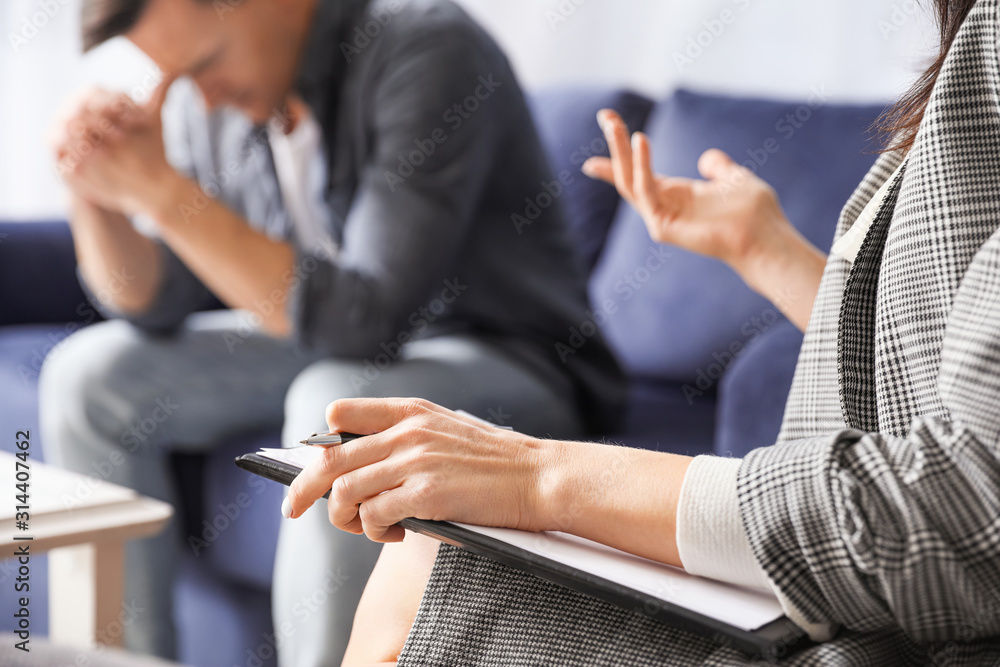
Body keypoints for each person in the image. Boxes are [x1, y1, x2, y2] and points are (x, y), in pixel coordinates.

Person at [283, 0, 1000, 664]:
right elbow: (930, 386)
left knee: (426, 568)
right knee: (428, 554)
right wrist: (770, 254)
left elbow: (968, 509)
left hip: (893, 639)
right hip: (853, 607)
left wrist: (538, 475)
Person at [39, 0, 625, 663]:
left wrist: (160, 191)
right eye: (176, 77)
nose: (199, 98)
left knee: (340, 400)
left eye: (203, 64)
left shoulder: (427, 47)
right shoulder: (225, 102)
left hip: (506, 353)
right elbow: (159, 303)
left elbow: (369, 318)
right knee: (88, 376)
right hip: (336, 345)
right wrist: (95, 187)